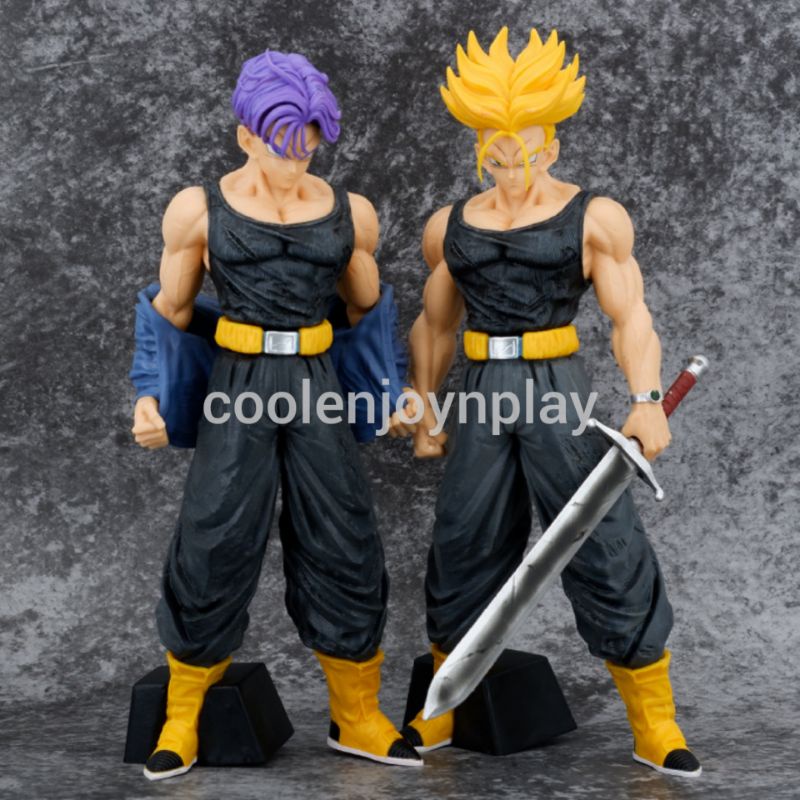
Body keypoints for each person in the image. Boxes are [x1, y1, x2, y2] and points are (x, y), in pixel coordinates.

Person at [393, 27, 701, 777]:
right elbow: (435, 323)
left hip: (556, 388)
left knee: (603, 540)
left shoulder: (593, 218)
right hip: (481, 393)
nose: (510, 170)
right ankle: (441, 704)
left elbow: (631, 317)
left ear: (551, 147)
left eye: (524, 155)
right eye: (495, 157)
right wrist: (424, 401)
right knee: (464, 540)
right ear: (480, 149)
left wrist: (646, 399)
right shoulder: (450, 225)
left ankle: (653, 719)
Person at [130, 49, 421, 781]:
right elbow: (168, 310)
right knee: (215, 534)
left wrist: (392, 390)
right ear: (245, 136)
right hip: (240, 380)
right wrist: (148, 394)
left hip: (316, 380)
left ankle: (356, 712)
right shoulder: (199, 209)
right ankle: (183, 717)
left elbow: (369, 310)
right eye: (282, 147)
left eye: (308, 149)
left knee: (343, 536)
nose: (296, 163)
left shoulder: (350, 214)